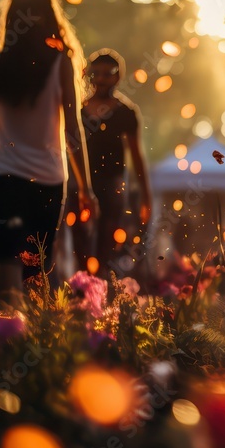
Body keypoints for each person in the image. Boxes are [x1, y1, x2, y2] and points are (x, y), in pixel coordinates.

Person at [0, 0, 98, 300]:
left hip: (1, 180)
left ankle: (5, 336)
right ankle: (30, 341)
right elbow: (73, 128)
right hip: (46, 182)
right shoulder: (61, 63)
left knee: (9, 265)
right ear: (49, 18)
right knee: (37, 272)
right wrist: (85, 188)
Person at [65, 49, 151, 277]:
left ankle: (99, 294)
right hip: (80, 184)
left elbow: (136, 155)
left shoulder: (126, 113)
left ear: (118, 76)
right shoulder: (77, 111)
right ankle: (81, 293)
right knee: (79, 243)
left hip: (112, 186)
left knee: (107, 243)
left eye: (107, 73)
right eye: (96, 74)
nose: (101, 79)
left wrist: (145, 195)